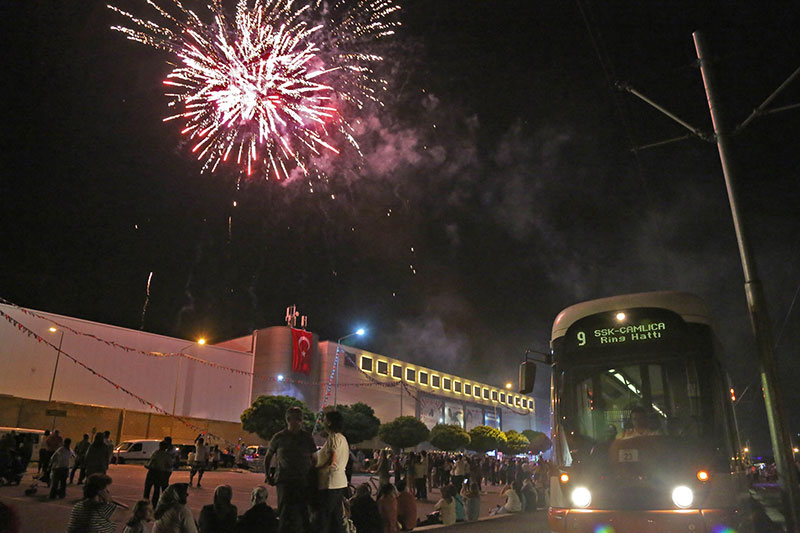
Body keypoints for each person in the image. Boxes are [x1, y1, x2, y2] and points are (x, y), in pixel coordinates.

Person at [263, 406, 317, 533]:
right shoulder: (279, 437)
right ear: (288, 419)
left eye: (300, 419)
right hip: (284, 481)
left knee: (304, 513)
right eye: (295, 419)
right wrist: (268, 475)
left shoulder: (307, 438)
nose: (298, 422)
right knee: (284, 513)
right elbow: (268, 457)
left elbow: (315, 458)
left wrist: (312, 475)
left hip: (303, 481)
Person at [315, 410, 349, 533]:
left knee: (324, 517)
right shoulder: (342, 438)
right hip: (339, 482)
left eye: (324, 419)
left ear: (329, 422)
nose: (322, 421)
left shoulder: (334, 437)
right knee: (336, 517)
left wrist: (320, 467)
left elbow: (332, 458)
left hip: (330, 482)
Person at [145, 440, 174, 507]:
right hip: (159, 473)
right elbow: (170, 465)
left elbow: (150, 462)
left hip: (151, 471)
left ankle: (144, 503)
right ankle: (154, 505)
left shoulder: (155, 453)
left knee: (147, 489)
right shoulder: (167, 455)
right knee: (156, 489)